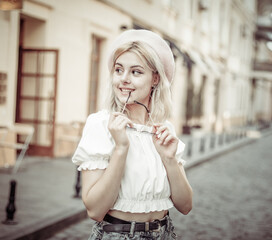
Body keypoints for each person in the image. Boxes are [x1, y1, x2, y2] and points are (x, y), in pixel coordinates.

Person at [72, 29, 193, 239]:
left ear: (155, 79)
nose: (124, 79)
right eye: (119, 70)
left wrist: (169, 159)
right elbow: (95, 210)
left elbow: (185, 205)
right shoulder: (100, 124)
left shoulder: (164, 130)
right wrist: (121, 148)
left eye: (136, 72)